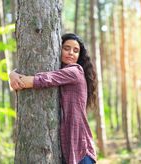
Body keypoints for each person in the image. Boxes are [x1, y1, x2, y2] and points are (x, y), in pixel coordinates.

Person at [9, 33, 97, 164]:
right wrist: (12, 74)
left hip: (81, 150)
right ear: (58, 49)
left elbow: (44, 80)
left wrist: (14, 76)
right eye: (66, 48)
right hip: (68, 151)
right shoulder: (62, 72)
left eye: (76, 50)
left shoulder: (75, 71)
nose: (71, 53)